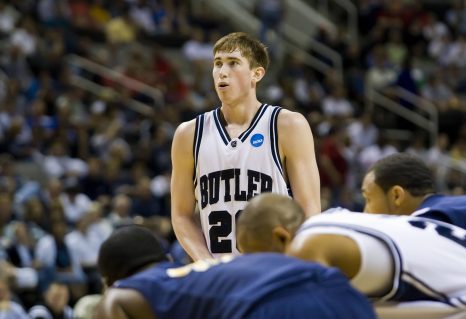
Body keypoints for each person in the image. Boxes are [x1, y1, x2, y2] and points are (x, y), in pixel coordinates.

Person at [171, 32, 321, 260]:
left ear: (256, 74)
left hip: (272, 268)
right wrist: (207, 264)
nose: (222, 71)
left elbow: (309, 210)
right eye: (217, 64)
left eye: (233, 63)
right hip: (219, 275)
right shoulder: (188, 134)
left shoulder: (287, 125)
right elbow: (181, 215)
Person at [236, 194, 466, 309]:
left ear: (281, 236)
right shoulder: (333, 217)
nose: (259, 271)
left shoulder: (307, 245)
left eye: (260, 259)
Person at [93, 225, 375, 319]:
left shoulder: (145, 286)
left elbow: (114, 302)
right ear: (168, 258)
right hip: (340, 292)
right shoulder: (194, 276)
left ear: (112, 279)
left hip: (272, 306)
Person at [361, 152, 466, 228]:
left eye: (368, 199)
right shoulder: (452, 207)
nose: (364, 212)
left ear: (396, 196)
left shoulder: (425, 223)